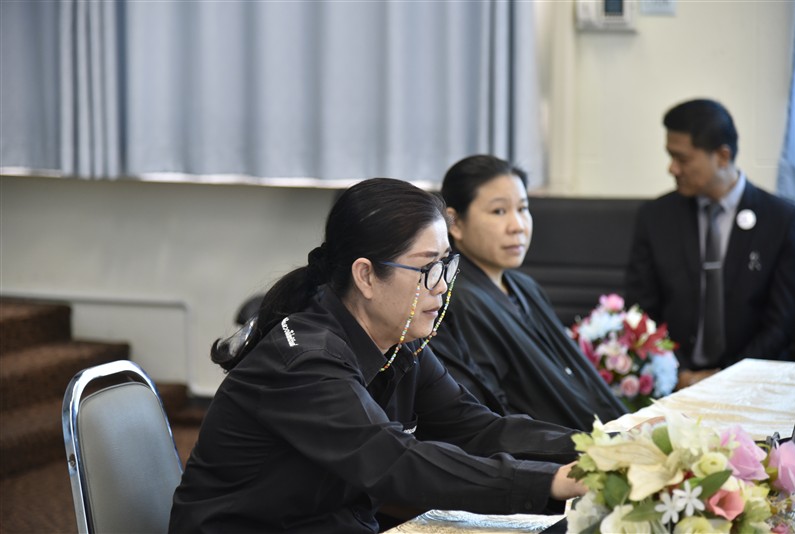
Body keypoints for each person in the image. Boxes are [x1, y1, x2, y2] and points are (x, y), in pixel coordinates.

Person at [169, 178, 586, 533]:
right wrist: (551, 482)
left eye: (447, 265)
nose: (442, 285)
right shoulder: (304, 361)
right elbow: (395, 461)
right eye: (427, 269)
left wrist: (593, 449)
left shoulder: (401, 342)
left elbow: (478, 429)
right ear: (366, 275)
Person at [428, 155, 628, 432]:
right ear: (456, 224)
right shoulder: (458, 299)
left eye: (523, 208)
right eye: (499, 211)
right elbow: (492, 408)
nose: (518, 226)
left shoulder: (523, 286)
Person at [625, 98, 795, 388]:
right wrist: (679, 373)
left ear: (722, 156)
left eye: (682, 159)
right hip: (673, 381)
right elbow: (642, 309)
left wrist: (725, 380)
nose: (672, 168)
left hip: (752, 383)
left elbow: (780, 325)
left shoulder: (782, 221)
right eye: (670, 156)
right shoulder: (655, 217)